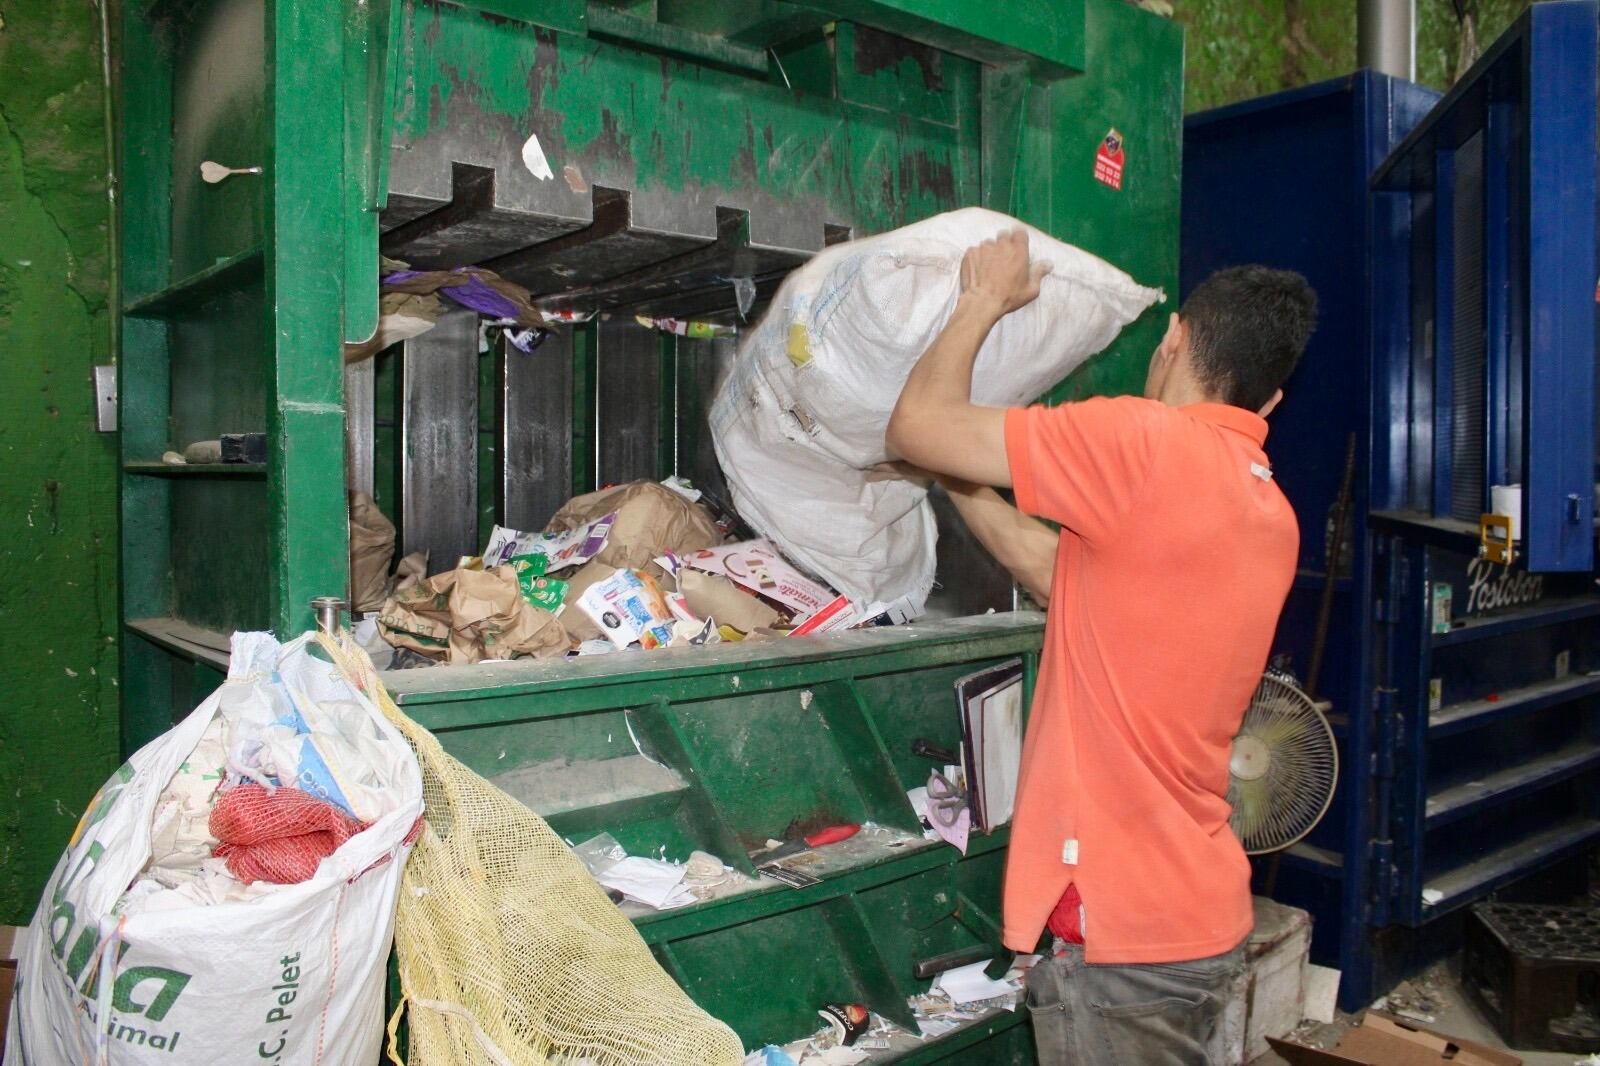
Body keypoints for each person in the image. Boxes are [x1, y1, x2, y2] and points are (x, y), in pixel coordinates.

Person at [885, 230, 1316, 1065]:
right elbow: (1056, 569)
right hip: (1195, 917)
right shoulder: (1269, 513)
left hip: (1123, 936)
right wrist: (955, 478)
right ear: (1268, 404)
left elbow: (918, 423)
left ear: (1174, 337)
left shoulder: (1142, 443)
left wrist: (984, 298)